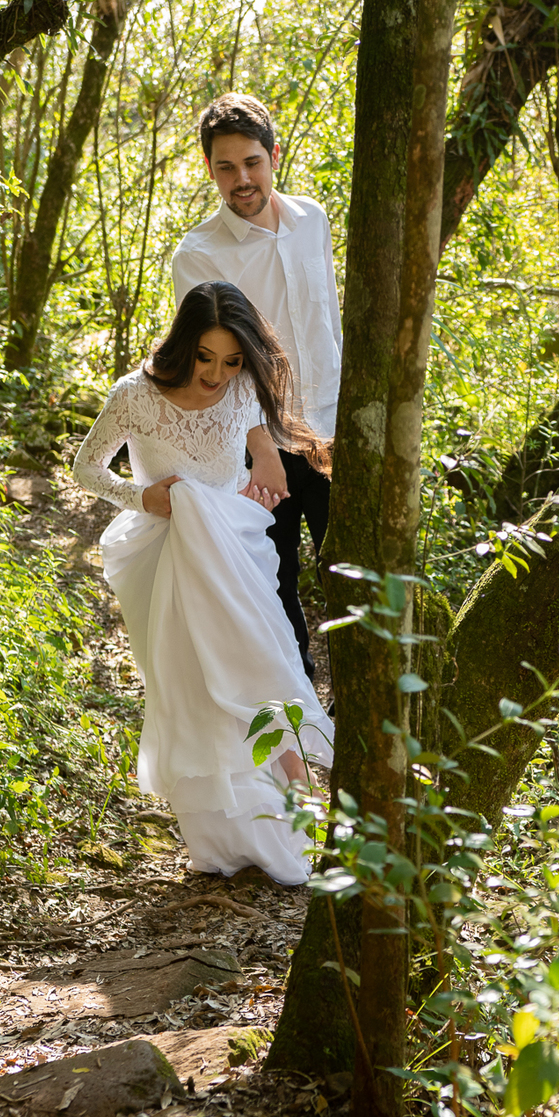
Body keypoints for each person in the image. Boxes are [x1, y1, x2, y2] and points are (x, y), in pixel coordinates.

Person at [72, 281, 332, 886]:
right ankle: (221, 840)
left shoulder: (242, 390)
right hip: (165, 554)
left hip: (232, 548)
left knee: (259, 665)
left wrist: (265, 450)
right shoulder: (134, 395)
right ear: (183, 346)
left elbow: (254, 433)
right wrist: (143, 496)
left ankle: (305, 817)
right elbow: (86, 469)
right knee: (192, 687)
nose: (217, 374)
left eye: (233, 360)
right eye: (205, 357)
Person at [170, 92, 340, 679]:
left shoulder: (311, 220)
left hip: (334, 433)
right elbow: (214, 370)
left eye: (251, 162)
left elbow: (330, 327)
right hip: (257, 444)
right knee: (276, 576)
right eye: (225, 167)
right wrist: (264, 450)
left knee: (349, 570)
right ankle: (303, 712)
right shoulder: (198, 255)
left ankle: (363, 705)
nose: (241, 179)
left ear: (273, 155)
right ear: (210, 169)